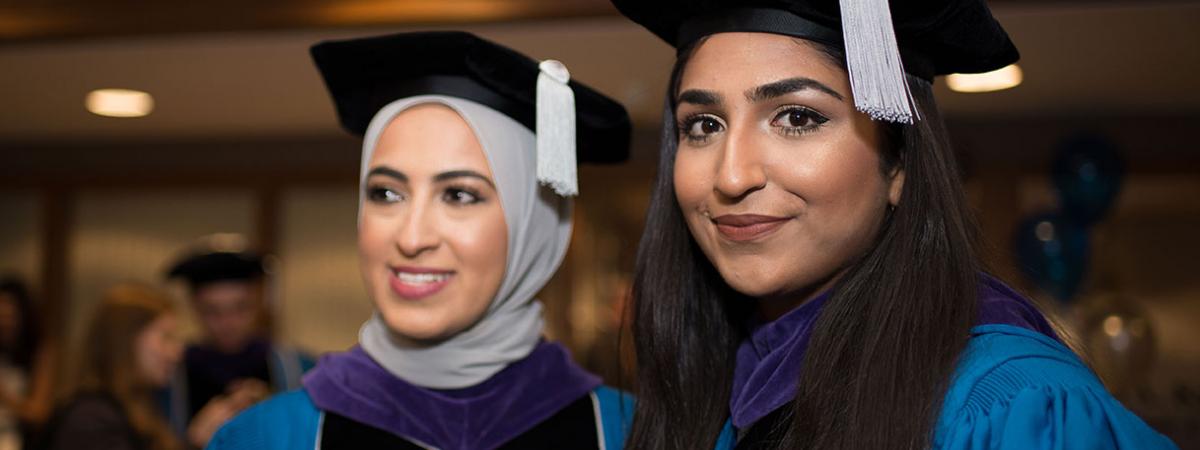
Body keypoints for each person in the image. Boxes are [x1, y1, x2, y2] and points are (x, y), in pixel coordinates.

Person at [610, 0, 1178, 448]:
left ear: (899, 162)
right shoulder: (715, 387)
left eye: (798, 117)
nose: (731, 175)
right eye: (703, 125)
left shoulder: (1012, 404)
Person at [208, 31, 633, 450]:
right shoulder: (264, 438)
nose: (411, 238)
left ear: (534, 225)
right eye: (386, 193)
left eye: (460, 195)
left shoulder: (632, 432)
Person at [38, 283, 255, 450]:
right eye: (166, 337)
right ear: (127, 340)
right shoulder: (90, 420)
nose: (177, 351)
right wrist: (195, 442)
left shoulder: (138, 407)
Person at [163, 248, 313, 437]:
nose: (228, 322)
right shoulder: (169, 375)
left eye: (241, 308)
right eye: (212, 311)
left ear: (261, 302)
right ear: (193, 307)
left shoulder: (299, 369)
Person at [0, 276, 55, 450]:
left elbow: (39, 412)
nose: (5, 322)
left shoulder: (39, 350)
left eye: (11, 316)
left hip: (21, 439)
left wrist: (6, 398)